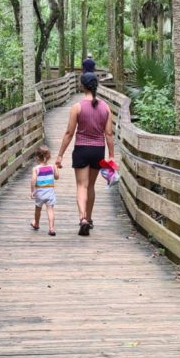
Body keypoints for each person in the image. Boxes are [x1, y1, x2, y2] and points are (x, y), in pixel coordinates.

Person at [55, 72, 115, 236]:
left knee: (82, 185)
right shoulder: (105, 108)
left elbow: (69, 133)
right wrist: (111, 155)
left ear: (82, 86)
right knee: (91, 186)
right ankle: (89, 218)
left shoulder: (77, 107)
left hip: (81, 149)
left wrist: (60, 155)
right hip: (98, 150)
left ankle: (82, 218)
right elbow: (109, 134)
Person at [29, 145, 59, 236]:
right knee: (50, 210)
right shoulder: (52, 167)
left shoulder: (36, 169)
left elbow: (33, 180)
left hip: (40, 193)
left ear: (37, 157)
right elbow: (57, 177)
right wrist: (56, 168)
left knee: (38, 209)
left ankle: (36, 223)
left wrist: (32, 191)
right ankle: (51, 228)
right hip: (50, 193)